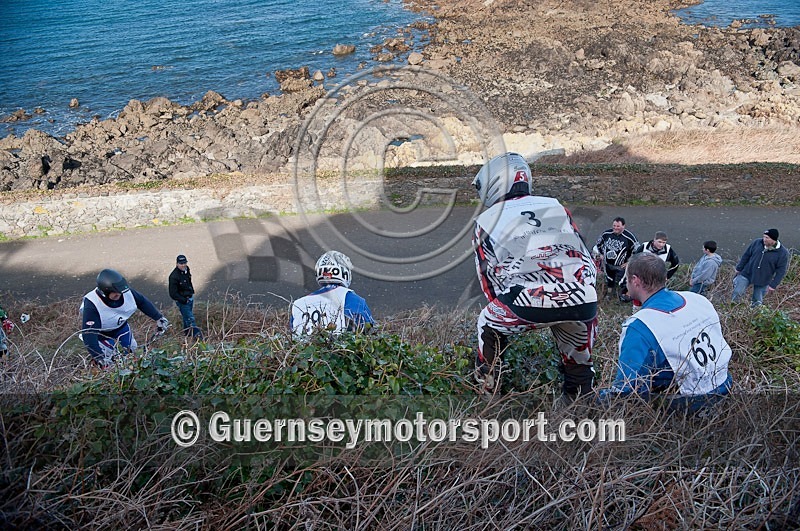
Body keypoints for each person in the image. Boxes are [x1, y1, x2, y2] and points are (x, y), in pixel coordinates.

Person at [471, 152, 598, 397]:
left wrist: (512, 301)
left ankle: (487, 396)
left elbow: (489, 284)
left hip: (529, 301)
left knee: (487, 323)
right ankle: (581, 408)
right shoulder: (555, 206)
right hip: (582, 297)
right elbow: (585, 257)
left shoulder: (486, 220)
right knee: (579, 364)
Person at [601, 253, 732, 407]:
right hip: (725, 384)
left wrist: (599, 398)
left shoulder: (640, 326)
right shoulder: (697, 299)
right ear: (664, 278)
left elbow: (628, 390)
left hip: (689, 402)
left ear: (635, 280)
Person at [80, 269, 169, 368]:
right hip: (102, 334)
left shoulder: (124, 292)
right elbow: (89, 334)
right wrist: (98, 356)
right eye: (115, 293)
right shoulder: (92, 304)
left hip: (121, 328)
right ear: (105, 292)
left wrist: (158, 317)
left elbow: (142, 302)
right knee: (110, 359)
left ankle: (133, 372)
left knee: (132, 352)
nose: (119, 295)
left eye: (120, 292)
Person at [290, 251, 375, 337]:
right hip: (340, 349)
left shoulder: (299, 304)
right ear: (345, 273)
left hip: (303, 349)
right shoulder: (353, 300)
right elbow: (367, 331)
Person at [732, 228, 790, 307]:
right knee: (737, 292)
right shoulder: (757, 243)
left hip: (763, 279)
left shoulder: (782, 253)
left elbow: (781, 271)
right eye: (764, 237)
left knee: (757, 301)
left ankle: (754, 314)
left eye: (767, 238)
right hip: (747, 272)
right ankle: (733, 309)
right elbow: (746, 255)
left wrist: (773, 285)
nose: (764, 239)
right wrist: (739, 268)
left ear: (774, 240)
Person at [592, 217, 638, 302]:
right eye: (614, 226)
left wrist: (629, 262)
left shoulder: (630, 237)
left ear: (623, 226)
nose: (615, 228)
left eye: (618, 226)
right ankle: (609, 294)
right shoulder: (606, 233)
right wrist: (601, 254)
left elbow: (637, 251)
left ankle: (622, 297)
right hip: (608, 264)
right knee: (609, 279)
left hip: (621, 266)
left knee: (623, 282)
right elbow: (598, 244)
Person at [169, 254, 203, 338]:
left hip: (189, 297)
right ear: (177, 264)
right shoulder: (173, 277)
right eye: (181, 263)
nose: (183, 265)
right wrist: (183, 300)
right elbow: (173, 294)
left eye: (185, 263)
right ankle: (198, 337)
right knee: (190, 319)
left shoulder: (186, 270)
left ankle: (187, 334)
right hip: (183, 301)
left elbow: (188, 281)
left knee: (186, 318)